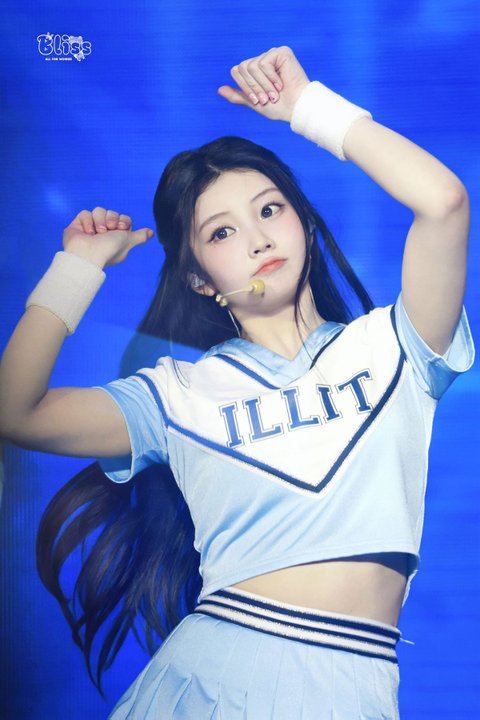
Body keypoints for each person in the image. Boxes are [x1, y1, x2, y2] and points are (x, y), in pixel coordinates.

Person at [0, 46, 475, 719]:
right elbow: (15, 411)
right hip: (208, 683)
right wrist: (77, 268)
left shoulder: (395, 346)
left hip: (357, 685)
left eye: (270, 210)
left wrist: (307, 107)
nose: (257, 239)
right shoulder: (177, 394)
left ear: (304, 221)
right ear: (200, 279)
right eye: (222, 232)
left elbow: (445, 202)